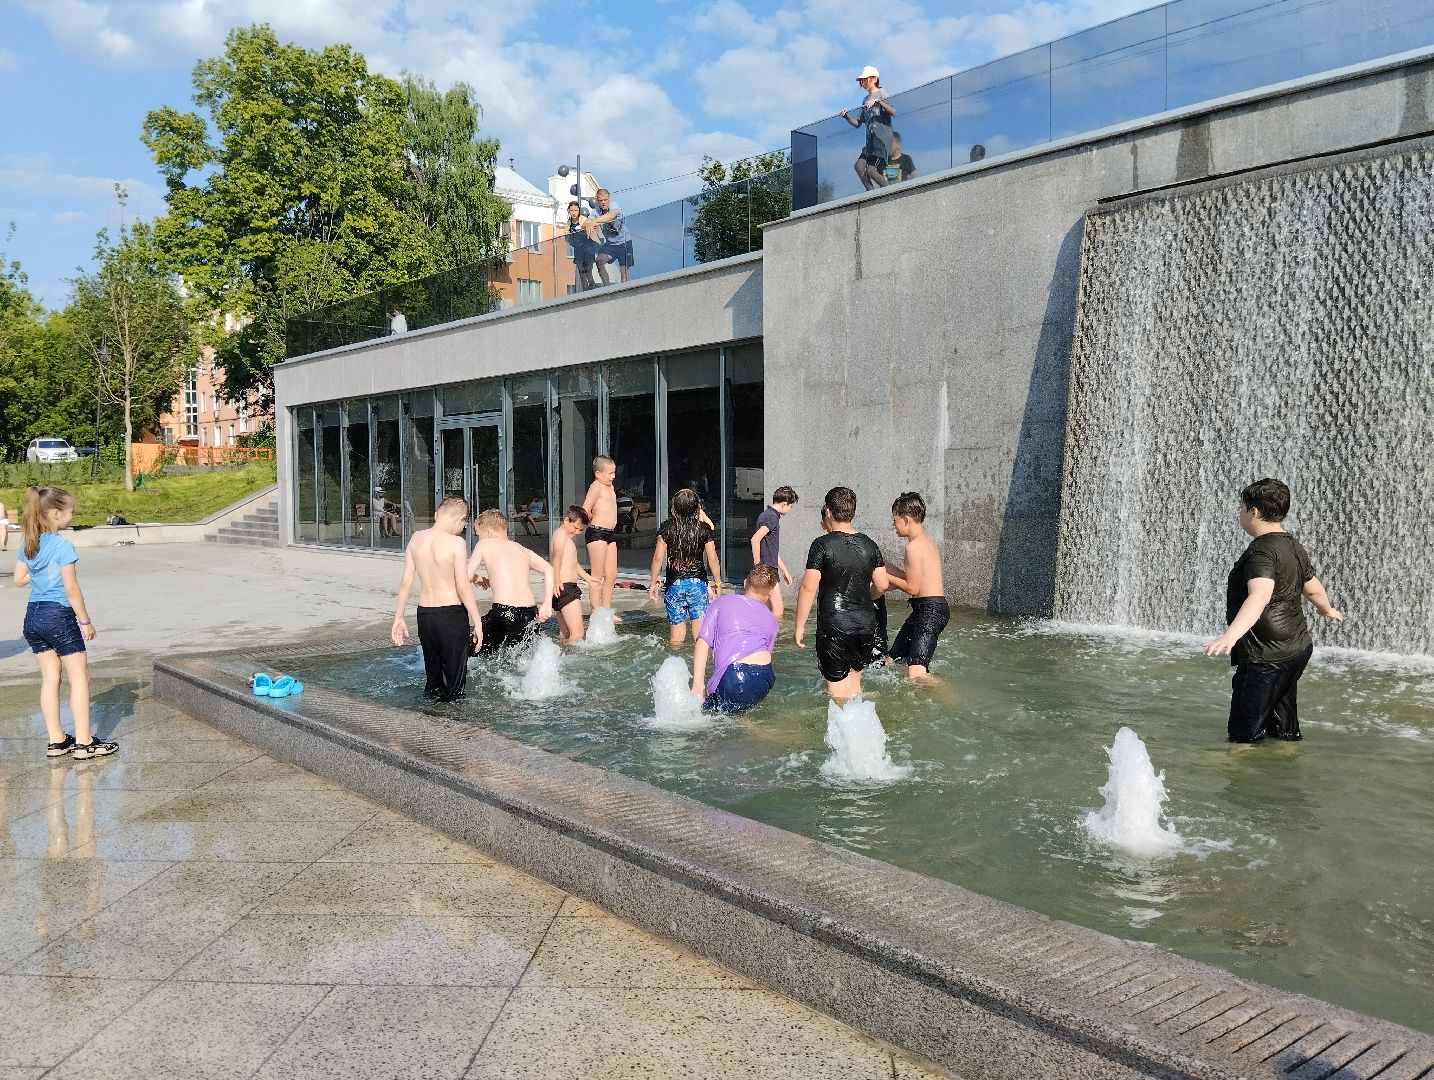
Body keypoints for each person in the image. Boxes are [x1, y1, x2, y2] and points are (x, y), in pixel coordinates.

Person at [1204, 478, 1342, 743]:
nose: (1241, 514)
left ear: (1253, 512)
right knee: (1282, 726)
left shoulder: (1262, 552)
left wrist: (1230, 636)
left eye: (1242, 508)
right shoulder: (1293, 545)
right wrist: (1327, 609)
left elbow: (1260, 595)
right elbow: (1312, 588)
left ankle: (1242, 772)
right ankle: (1287, 761)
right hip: (1297, 648)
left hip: (1265, 654)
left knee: (1244, 734)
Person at [12, 488, 114, 759]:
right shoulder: (62, 546)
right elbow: (71, 589)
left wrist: (40, 577)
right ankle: (84, 743)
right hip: (59, 616)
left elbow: (18, 579)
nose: (72, 515)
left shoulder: (28, 542)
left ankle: (56, 741)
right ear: (57, 514)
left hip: (33, 616)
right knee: (80, 677)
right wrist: (85, 621)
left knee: (50, 679)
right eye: (71, 511)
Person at [794, 486, 890, 702]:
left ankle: (844, 734)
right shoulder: (870, 544)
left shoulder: (822, 544)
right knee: (855, 688)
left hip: (834, 627)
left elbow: (809, 586)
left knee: (837, 693)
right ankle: (863, 732)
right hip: (865, 627)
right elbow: (882, 584)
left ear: (828, 511)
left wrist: (799, 626)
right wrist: (869, 597)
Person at [390, 496, 482, 701]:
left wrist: (399, 617)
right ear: (461, 520)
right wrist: (478, 622)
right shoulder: (456, 542)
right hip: (451, 615)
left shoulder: (416, 538)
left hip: (425, 615)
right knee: (455, 685)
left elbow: (406, 581)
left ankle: (428, 722)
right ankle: (455, 728)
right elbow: (463, 586)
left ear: (436, 515)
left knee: (433, 681)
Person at [691, 564, 781, 713]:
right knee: (735, 716)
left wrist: (698, 683)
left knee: (708, 716)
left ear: (745, 583)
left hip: (734, 675)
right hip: (765, 677)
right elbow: (766, 652)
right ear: (770, 593)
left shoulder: (721, 602)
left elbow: (703, 641)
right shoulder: (772, 620)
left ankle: (765, 736)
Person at [468, 508, 555, 654]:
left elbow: (465, 575)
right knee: (523, 659)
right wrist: (547, 604)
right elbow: (549, 569)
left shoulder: (484, 544)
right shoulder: (521, 549)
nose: (478, 539)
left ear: (488, 532)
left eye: (478, 534)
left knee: (473, 652)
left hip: (504, 611)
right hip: (530, 614)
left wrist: (476, 578)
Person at [883, 492, 948, 681]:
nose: (893, 525)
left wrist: (885, 575)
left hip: (931, 611)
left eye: (894, 520)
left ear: (906, 519)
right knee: (892, 659)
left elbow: (912, 588)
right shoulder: (927, 542)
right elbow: (916, 581)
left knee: (916, 671)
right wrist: (887, 568)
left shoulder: (912, 548)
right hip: (926, 610)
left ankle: (953, 700)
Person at [648, 488, 723, 649]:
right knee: (700, 635)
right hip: (697, 584)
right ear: (697, 508)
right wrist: (717, 584)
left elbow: (657, 558)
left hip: (674, 585)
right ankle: (700, 668)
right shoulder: (703, 529)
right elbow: (713, 559)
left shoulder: (667, 527)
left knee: (676, 637)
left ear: (673, 507)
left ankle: (675, 664)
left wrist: (653, 582)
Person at [839, 66, 896, 190]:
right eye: (862, 81)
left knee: (871, 170)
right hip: (870, 141)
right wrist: (847, 116)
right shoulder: (865, 100)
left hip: (881, 140)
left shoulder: (882, 93)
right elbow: (859, 123)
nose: (863, 83)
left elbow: (893, 111)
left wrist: (879, 102)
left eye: (866, 79)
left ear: (874, 79)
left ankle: (891, 191)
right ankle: (871, 193)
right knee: (859, 166)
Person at [550, 505, 600, 642]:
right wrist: (556, 580)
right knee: (577, 634)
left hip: (562, 588)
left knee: (565, 634)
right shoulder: (560, 535)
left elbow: (573, 564)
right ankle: (574, 662)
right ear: (567, 521)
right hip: (564, 587)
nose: (577, 532)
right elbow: (557, 558)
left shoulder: (565, 537)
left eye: (581, 530)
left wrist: (588, 579)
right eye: (576, 527)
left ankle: (561, 659)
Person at [749, 485, 798, 618]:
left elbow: (771, 549)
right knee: (778, 609)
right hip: (767, 570)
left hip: (767, 568)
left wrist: (784, 571)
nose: (791, 509)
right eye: (791, 506)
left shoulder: (765, 515)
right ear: (784, 504)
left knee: (766, 608)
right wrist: (758, 567)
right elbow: (755, 540)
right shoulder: (772, 518)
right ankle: (774, 637)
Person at [582, 455, 620, 613]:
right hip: (597, 532)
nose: (613, 476)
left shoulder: (610, 488)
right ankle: (595, 611)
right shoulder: (596, 486)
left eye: (614, 472)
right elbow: (585, 508)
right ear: (598, 473)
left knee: (611, 574)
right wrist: (591, 518)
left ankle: (606, 611)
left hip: (610, 533)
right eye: (610, 473)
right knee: (597, 575)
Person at [590, 188, 634, 284]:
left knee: (624, 273)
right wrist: (589, 224)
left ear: (609, 199)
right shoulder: (596, 210)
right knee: (599, 261)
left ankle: (623, 294)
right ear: (597, 201)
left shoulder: (614, 205)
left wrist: (595, 221)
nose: (603, 202)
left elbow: (610, 216)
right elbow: (587, 222)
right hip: (611, 245)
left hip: (624, 243)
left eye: (605, 200)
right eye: (601, 200)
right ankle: (607, 288)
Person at [566, 200, 599, 290]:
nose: (574, 213)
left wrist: (581, 227)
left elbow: (588, 223)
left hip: (587, 248)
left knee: (588, 269)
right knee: (581, 271)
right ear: (569, 211)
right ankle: (585, 290)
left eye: (576, 210)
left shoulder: (583, 219)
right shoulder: (569, 223)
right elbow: (567, 237)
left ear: (579, 211)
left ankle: (592, 287)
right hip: (578, 249)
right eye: (572, 210)